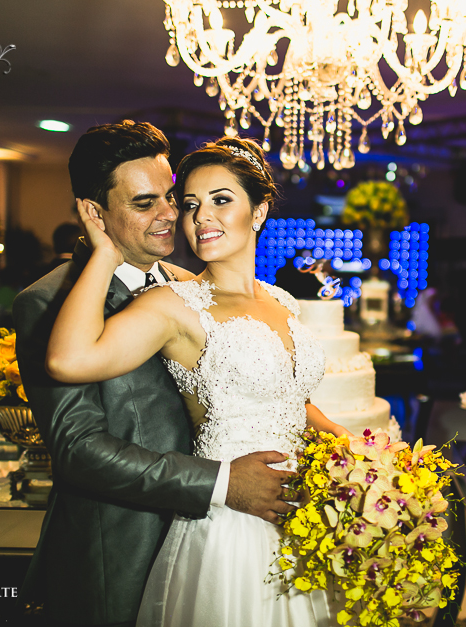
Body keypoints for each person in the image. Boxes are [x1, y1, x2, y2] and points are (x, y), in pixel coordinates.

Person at [45, 136, 350, 627]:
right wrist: (103, 253)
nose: (199, 217)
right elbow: (68, 360)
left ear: (259, 211)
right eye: (191, 204)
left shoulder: (282, 302)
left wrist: (351, 448)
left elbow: (286, 401)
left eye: (221, 200)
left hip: (302, 517)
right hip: (232, 525)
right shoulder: (175, 304)